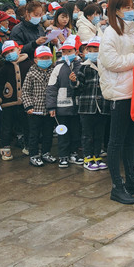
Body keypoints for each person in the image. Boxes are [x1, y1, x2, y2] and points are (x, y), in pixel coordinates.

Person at [98, 0, 134, 205]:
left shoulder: (132, 32)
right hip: (119, 93)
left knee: (131, 140)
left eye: (133, 7)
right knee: (116, 141)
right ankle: (116, 186)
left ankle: (131, 180)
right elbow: (111, 62)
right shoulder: (110, 33)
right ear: (117, 10)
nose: (132, 11)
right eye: (128, 7)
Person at [0, 40, 32, 161]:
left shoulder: (28, 64)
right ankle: (5, 148)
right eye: (6, 53)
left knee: (27, 125)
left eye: (12, 51)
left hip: (26, 102)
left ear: (19, 50)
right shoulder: (4, 68)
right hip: (8, 102)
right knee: (6, 126)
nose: (10, 54)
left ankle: (29, 145)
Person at [45, 36, 83, 168]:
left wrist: (75, 81)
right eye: (64, 52)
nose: (66, 54)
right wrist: (51, 107)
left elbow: (83, 85)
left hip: (77, 107)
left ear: (76, 52)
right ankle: (63, 156)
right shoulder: (58, 67)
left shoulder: (81, 66)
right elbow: (51, 88)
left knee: (76, 132)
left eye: (69, 51)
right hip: (62, 107)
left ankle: (73, 153)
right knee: (63, 133)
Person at [75, 37, 109, 171]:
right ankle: (87, 156)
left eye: (97, 49)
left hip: (102, 106)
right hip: (87, 106)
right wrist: (74, 82)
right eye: (91, 49)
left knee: (99, 133)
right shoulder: (84, 67)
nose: (94, 52)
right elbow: (79, 87)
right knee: (87, 133)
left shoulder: (106, 67)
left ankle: (97, 155)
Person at [22, 46, 57, 167]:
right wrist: (28, 106)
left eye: (47, 57)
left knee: (48, 133)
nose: (45, 60)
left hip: (49, 109)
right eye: (42, 58)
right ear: (36, 60)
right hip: (35, 111)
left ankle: (46, 152)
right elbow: (25, 91)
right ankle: (34, 154)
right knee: (34, 134)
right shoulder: (31, 74)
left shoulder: (53, 71)